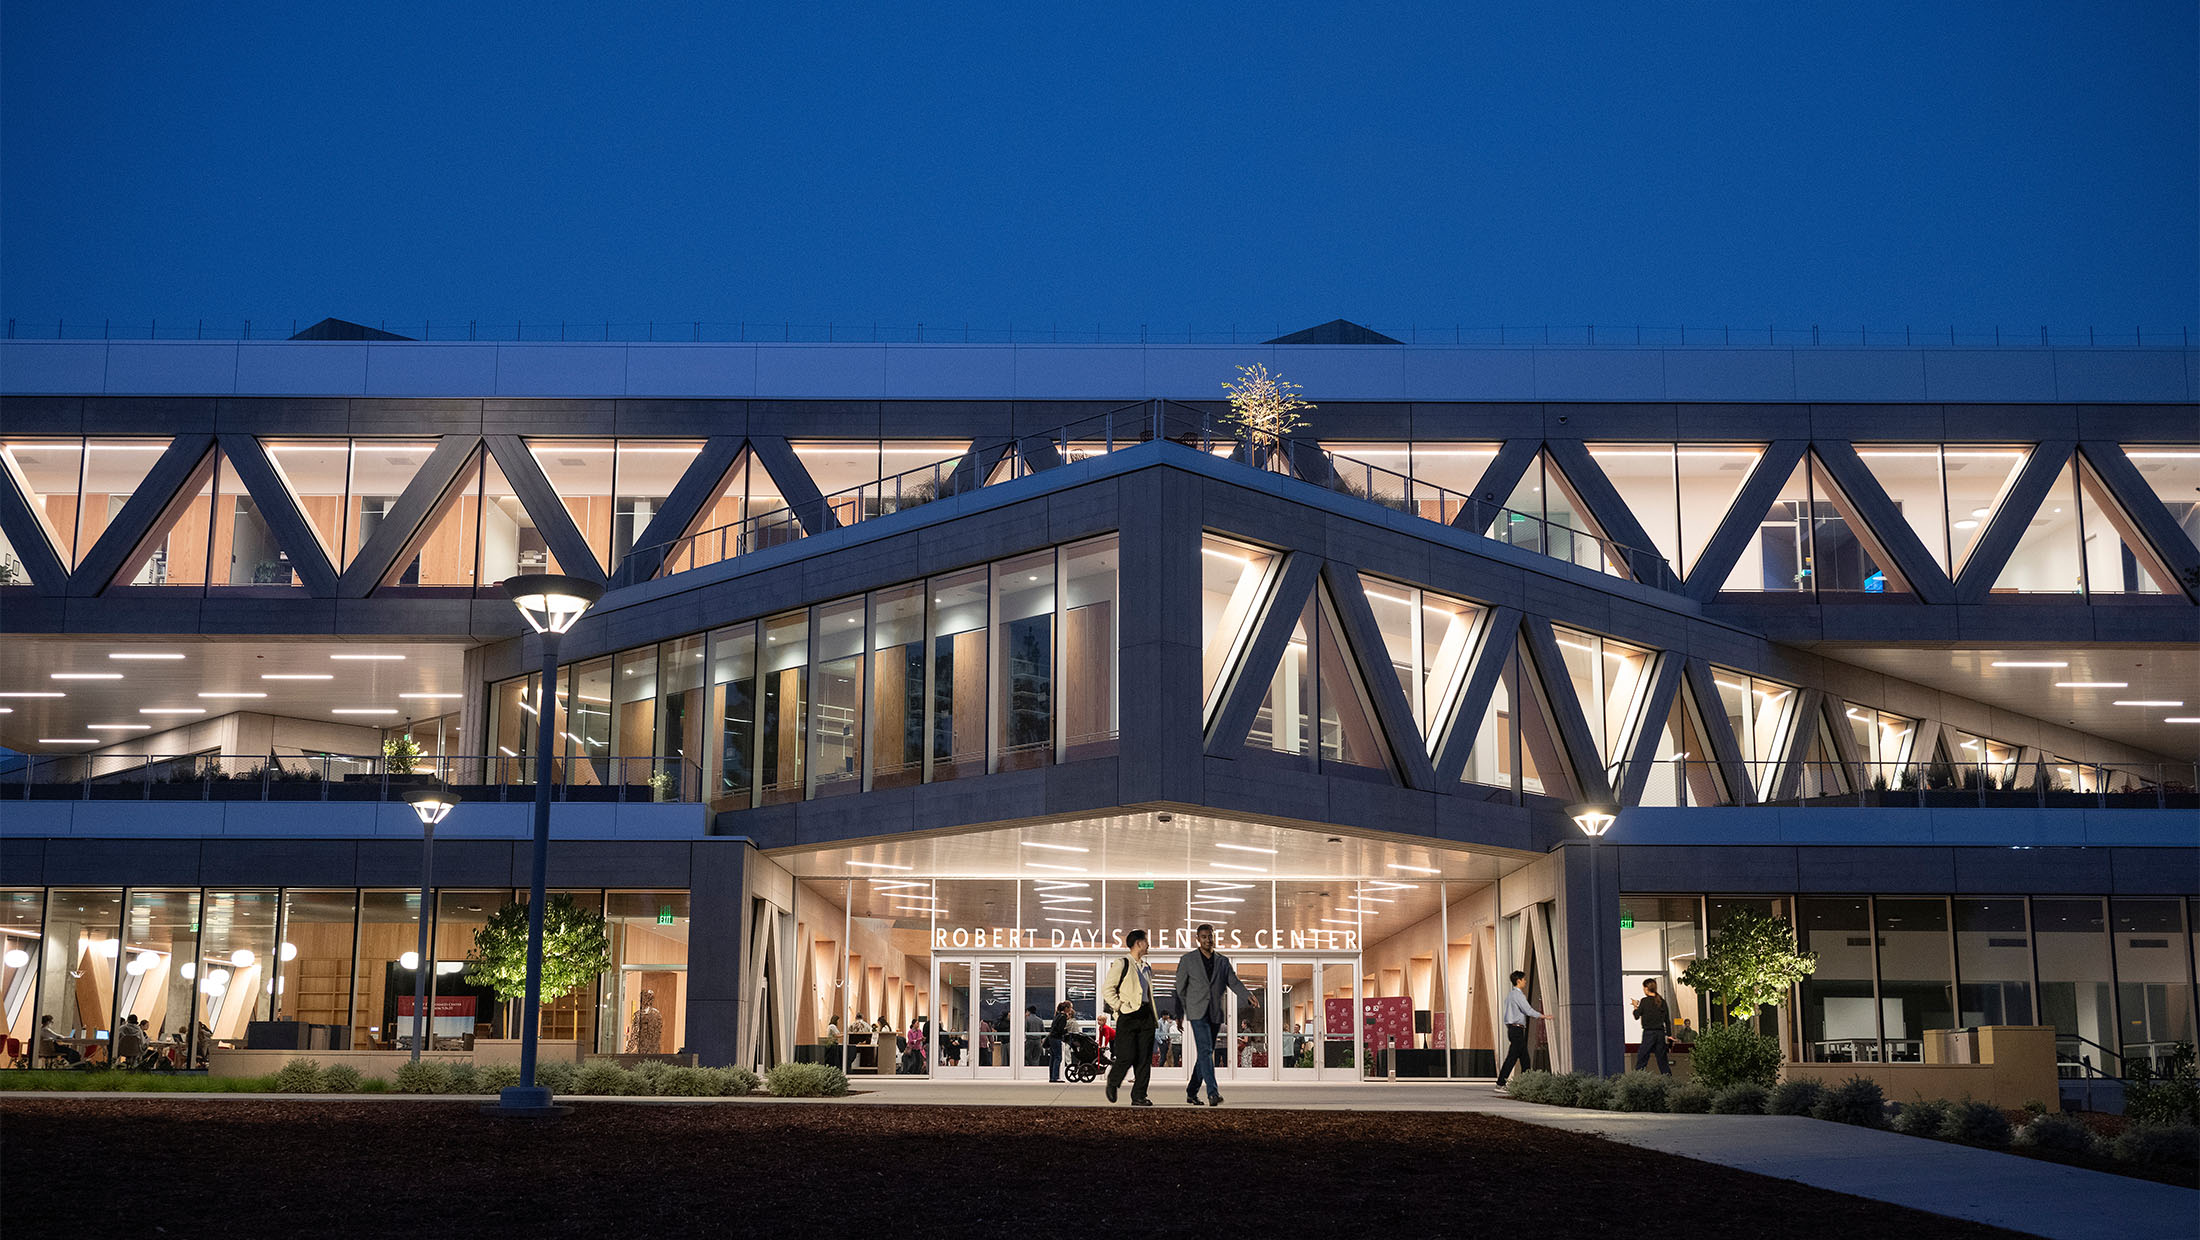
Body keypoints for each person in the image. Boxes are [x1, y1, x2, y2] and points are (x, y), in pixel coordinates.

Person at [1174, 923, 1258, 1106]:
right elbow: (1179, 989)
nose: (1207, 939)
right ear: (1198, 939)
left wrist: (1247, 995)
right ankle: (1213, 1092)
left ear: (1214, 937)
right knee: (1205, 1051)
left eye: (1210, 936)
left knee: (1206, 1052)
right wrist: (1178, 1014)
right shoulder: (1188, 960)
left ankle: (1191, 1091)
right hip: (1196, 1012)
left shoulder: (1222, 961)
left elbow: (1233, 981)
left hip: (1214, 1013)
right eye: (1204, 936)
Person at [1101, 929, 1157, 1105]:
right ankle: (1113, 1081)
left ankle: (1139, 1096)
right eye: (1146, 941)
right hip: (1128, 1016)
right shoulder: (1122, 963)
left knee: (1144, 1059)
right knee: (1127, 1055)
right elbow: (1107, 989)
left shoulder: (1146, 967)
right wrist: (1119, 1006)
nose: (1149, 945)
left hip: (1146, 1015)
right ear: (1139, 943)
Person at [1493, 970, 1545, 1093]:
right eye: (1524, 979)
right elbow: (1528, 1010)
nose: (1525, 981)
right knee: (1512, 1057)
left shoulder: (1510, 996)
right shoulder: (1518, 995)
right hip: (1517, 1029)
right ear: (1518, 981)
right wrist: (1543, 1016)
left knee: (1525, 1059)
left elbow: (1508, 1016)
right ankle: (1500, 1084)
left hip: (1513, 1029)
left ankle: (1526, 1084)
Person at [1631, 978, 1672, 1075]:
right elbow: (1667, 1020)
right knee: (1662, 1061)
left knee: (1642, 1058)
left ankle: (1637, 1079)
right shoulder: (1662, 1001)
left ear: (1646, 988)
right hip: (1660, 1034)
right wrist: (1669, 1035)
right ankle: (1668, 1081)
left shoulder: (1644, 1001)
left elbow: (1636, 1016)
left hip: (1648, 1033)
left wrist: (1635, 1006)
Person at [1045, 1000, 1072, 1083]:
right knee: (1058, 1057)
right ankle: (1056, 1077)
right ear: (1066, 1008)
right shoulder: (1063, 1017)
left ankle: (1052, 1077)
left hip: (1051, 1038)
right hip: (1056, 1038)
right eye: (1070, 1007)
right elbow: (1060, 1030)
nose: (1071, 1009)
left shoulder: (1057, 1015)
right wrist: (1066, 1031)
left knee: (1053, 1058)